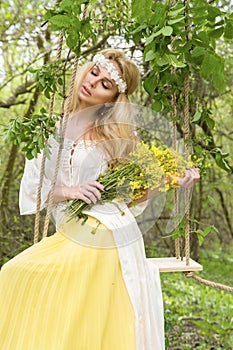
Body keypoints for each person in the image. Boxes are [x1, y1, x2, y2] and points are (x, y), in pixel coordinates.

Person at [0, 49, 200, 350]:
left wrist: (172, 182)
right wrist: (69, 191)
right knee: (14, 272)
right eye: (95, 73)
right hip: (71, 230)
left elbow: (133, 196)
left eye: (106, 84)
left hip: (109, 229)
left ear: (112, 98)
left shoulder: (115, 137)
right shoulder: (48, 130)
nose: (93, 83)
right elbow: (33, 191)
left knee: (87, 315)